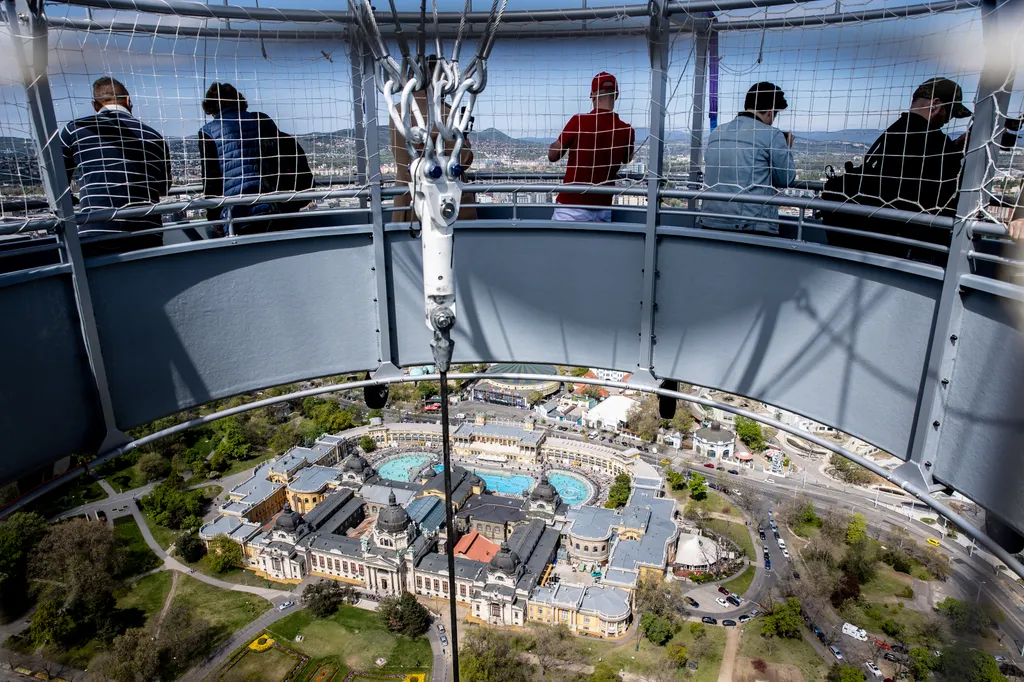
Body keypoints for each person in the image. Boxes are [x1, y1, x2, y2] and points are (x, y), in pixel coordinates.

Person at [59, 76, 171, 254]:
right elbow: (163, 187)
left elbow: (58, 183)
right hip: (147, 234)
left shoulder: (75, 129)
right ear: (128, 101)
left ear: (95, 105)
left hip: (97, 231)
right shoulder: (155, 136)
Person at [698, 82, 796, 235]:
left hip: (710, 220)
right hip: (752, 225)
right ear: (770, 112)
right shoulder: (772, 135)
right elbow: (785, 179)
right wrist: (786, 148)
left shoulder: (717, 132)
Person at [389, 58, 476, 224]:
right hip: (445, 197)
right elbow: (463, 160)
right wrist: (465, 142)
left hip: (406, 195)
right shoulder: (445, 113)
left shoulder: (398, 110)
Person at [199, 83, 289, 235]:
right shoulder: (261, 120)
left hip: (237, 210)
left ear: (211, 106)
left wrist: (214, 218)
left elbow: (211, 180)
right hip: (273, 204)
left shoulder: (208, 132)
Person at [548, 71, 635, 222]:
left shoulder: (578, 121)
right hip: (603, 208)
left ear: (592, 95)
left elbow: (553, 156)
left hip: (571, 207)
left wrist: (554, 144)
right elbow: (626, 159)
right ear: (616, 95)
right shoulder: (625, 130)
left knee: (559, 245)